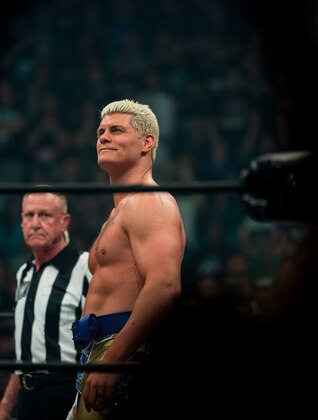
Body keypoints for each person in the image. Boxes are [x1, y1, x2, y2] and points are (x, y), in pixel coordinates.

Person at [68, 99, 186, 419]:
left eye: (116, 130)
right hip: (99, 349)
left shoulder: (151, 201)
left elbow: (164, 286)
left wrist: (114, 359)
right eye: (101, 132)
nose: (104, 137)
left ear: (146, 143)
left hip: (121, 350)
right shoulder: (120, 211)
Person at [0, 191, 92, 420]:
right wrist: (5, 408)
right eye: (29, 215)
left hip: (68, 393)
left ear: (64, 221)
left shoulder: (85, 267)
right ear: (21, 222)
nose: (35, 223)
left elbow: (101, 340)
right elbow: (23, 355)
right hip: (27, 398)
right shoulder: (24, 273)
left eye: (45, 215)